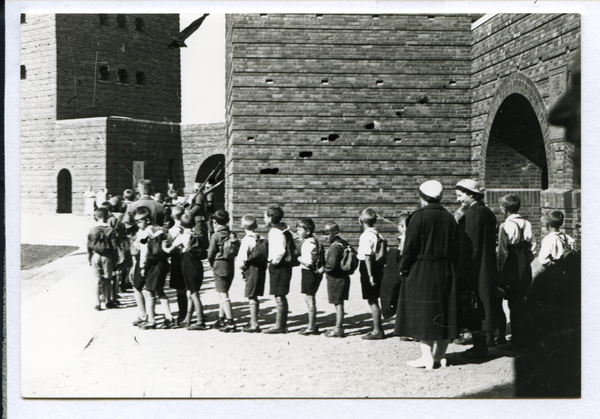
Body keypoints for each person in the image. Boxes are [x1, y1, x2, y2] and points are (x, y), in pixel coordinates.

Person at [394, 180, 459, 369]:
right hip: (446, 268)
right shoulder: (449, 217)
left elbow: (410, 247)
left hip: (423, 269)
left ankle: (426, 357)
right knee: (445, 311)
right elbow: (457, 247)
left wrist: (403, 267)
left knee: (424, 312)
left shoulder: (419, 216)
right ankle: (440, 355)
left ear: (421, 196)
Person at [454, 179, 497, 359]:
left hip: (476, 268)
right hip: (487, 265)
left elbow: (470, 246)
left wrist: (463, 270)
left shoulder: (472, 214)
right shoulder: (487, 212)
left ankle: (479, 346)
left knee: (476, 303)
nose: (458, 200)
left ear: (470, 194)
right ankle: (486, 340)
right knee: (485, 300)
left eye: (460, 195)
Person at [495, 194, 536, 351]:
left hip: (510, 268)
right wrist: (525, 263)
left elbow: (502, 252)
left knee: (511, 302)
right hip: (524, 267)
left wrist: (500, 271)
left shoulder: (504, 226)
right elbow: (533, 246)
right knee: (520, 302)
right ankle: (521, 336)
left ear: (503, 209)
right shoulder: (527, 223)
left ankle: (513, 340)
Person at [162, 212, 209, 331]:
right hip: (197, 265)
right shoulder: (197, 236)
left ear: (181, 225)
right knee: (191, 292)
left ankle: (200, 320)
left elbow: (169, 251)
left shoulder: (182, 237)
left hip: (187, 265)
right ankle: (188, 318)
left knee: (193, 293)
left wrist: (163, 245)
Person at [134, 207, 174, 330]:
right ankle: (169, 317)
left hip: (151, 264)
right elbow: (169, 241)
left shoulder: (145, 233)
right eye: (136, 221)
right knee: (160, 290)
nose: (138, 224)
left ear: (147, 220)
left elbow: (144, 251)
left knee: (150, 292)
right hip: (162, 263)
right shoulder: (161, 229)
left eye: (140, 221)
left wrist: (142, 267)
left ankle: (151, 320)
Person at [263, 205, 294, 334]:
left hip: (279, 266)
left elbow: (279, 250)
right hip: (285, 266)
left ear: (270, 218)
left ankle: (279, 325)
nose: (264, 219)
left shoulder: (274, 231)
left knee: (279, 295)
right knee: (281, 294)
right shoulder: (284, 229)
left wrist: (273, 262)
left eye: (265, 217)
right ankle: (281, 323)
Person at [357, 208, 386, 340]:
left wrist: (370, 275)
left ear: (361, 220)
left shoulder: (365, 236)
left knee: (372, 300)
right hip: (377, 266)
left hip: (368, 267)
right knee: (374, 299)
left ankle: (377, 330)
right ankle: (378, 328)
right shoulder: (377, 234)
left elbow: (367, 256)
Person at [207, 209, 238, 332]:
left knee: (223, 294)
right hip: (230, 264)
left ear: (215, 222)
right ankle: (221, 318)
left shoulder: (216, 236)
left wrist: (211, 264)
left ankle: (230, 321)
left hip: (219, 264)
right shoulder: (232, 234)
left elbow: (210, 253)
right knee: (224, 291)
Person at [236, 215, 268, 333]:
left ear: (242, 226)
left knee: (251, 295)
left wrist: (242, 269)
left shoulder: (246, 240)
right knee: (255, 295)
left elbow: (242, 260)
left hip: (251, 269)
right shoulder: (261, 238)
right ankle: (253, 320)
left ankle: (254, 323)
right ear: (256, 226)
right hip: (260, 269)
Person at [321, 222, 351, 338]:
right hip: (343, 277)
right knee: (339, 302)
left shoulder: (334, 246)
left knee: (338, 303)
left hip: (336, 278)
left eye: (327, 234)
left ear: (335, 233)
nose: (325, 237)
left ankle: (338, 328)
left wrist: (322, 269)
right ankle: (338, 326)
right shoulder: (343, 243)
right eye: (323, 234)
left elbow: (331, 265)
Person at [163, 205, 191, 326]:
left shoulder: (172, 231)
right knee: (189, 287)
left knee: (180, 289)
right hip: (188, 260)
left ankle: (182, 313)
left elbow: (169, 246)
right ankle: (190, 311)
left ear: (171, 216)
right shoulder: (189, 228)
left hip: (177, 260)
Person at [87, 207, 119, 310]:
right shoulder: (111, 230)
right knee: (107, 279)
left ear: (96, 217)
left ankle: (97, 302)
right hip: (107, 256)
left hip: (95, 255)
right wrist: (115, 260)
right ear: (108, 216)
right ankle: (108, 300)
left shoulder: (92, 230)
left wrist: (89, 258)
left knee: (97, 279)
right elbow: (114, 247)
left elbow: (88, 246)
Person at [297, 218, 323, 335]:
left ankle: (311, 326)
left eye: (299, 229)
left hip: (309, 272)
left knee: (309, 298)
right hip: (314, 272)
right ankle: (312, 324)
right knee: (310, 297)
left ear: (307, 231)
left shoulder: (308, 244)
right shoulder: (314, 241)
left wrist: (298, 259)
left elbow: (308, 262)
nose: (297, 231)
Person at [188, 181, 215, 248]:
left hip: (198, 217)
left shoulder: (199, 196)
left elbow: (198, 206)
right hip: (198, 217)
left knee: (199, 234)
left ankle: (201, 249)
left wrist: (189, 212)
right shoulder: (198, 195)